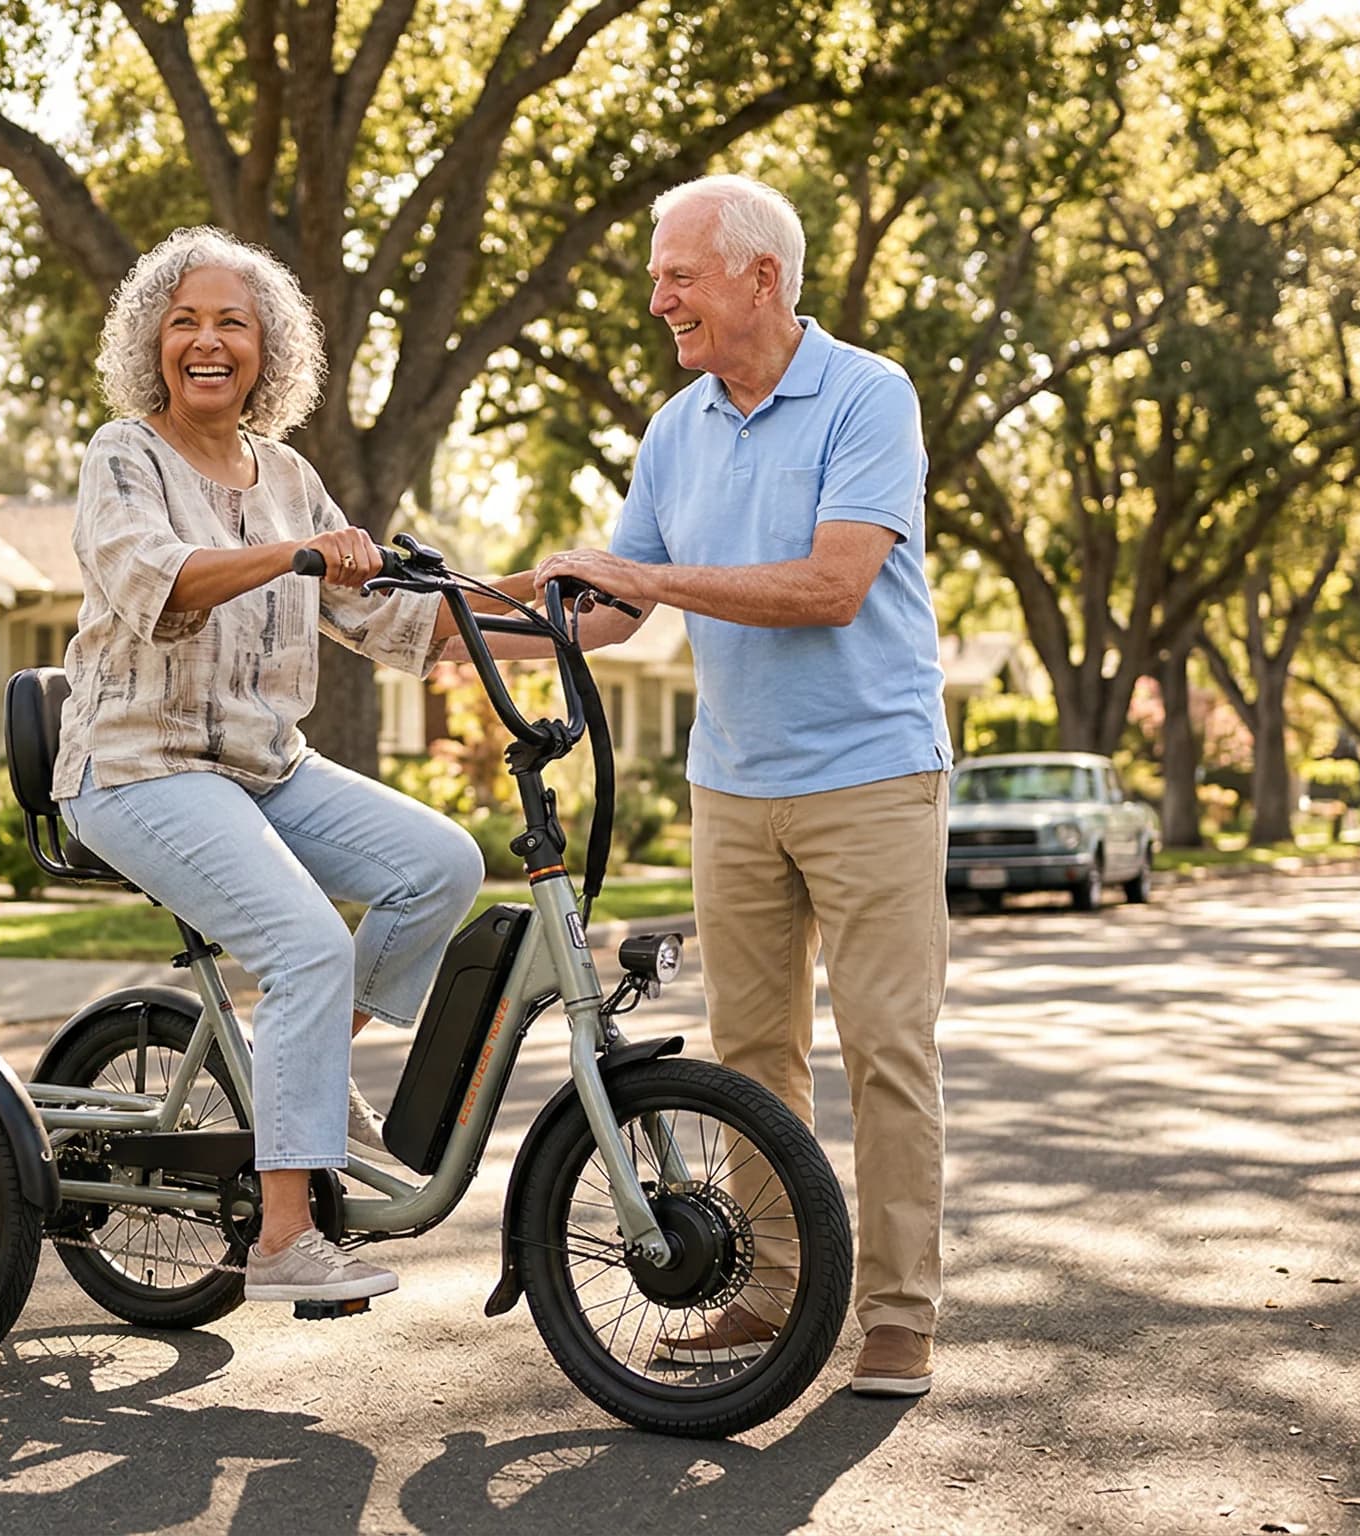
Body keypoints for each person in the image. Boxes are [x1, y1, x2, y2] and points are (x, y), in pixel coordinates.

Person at [536, 174, 953, 1396]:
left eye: (678, 274)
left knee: (887, 1052)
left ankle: (896, 1314)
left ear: (759, 278)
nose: (657, 296)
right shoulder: (679, 426)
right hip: (733, 784)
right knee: (752, 1058)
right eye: (659, 275)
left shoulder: (867, 397)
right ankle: (773, 1293)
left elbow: (831, 586)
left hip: (873, 774)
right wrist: (430, 618)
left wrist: (650, 583)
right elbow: (606, 604)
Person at [51, 226, 489, 1306]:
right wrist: (296, 556)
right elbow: (162, 580)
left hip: (264, 765)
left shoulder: (289, 475)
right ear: (152, 342)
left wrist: (554, 610)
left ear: (268, 349)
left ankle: (315, 1066)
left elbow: (390, 616)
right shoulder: (123, 456)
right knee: (304, 946)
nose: (208, 341)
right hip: (136, 767)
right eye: (185, 321)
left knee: (440, 865)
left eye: (232, 323)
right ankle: (284, 1237)